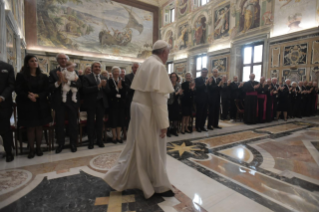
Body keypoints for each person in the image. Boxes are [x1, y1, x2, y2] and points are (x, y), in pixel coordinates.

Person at [104, 40, 175, 199]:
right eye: (168, 53)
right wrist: (164, 124)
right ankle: (159, 184)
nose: (167, 56)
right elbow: (158, 98)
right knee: (152, 147)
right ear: (163, 52)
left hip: (138, 108)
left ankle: (118, 177)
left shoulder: (146, 63)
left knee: (138, 146)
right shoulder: (158, 66)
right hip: (149, 111)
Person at [15, 55, 52, 159]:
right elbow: (18, 89)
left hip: (41, 104)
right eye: (32, 61)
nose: (35, 62)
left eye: (36, 60)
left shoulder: (43, 76)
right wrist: (28, 95)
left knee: (39, 127)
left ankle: (38, 148)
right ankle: (31, 149)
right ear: (27, 63)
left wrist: (37, 95)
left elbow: (47, 90)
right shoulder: (21, 75)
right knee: (31, 127)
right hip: (27, 105)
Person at [48, 53, 81, 153]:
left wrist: (68, 82)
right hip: (59, 101)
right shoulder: (53, 72)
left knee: (73, 123)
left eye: (65, 59)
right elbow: (50, 87)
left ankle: (73, 143)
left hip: (72, 101)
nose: (63, 61)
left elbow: (79, 84)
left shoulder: (74, 71)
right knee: (60, 123)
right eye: (61, 59)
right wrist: (59, 81)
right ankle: (61, 144)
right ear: (57, 61)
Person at [82, 62, 109, 149]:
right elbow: (85, 90)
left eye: (99, 67)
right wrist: (98, 86)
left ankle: (99, 141)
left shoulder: (104, 77)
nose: (97, 68)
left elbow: (108, 91)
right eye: (96, 67)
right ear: (92, 68)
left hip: (101, 103)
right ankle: (91, 142)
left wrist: (104, 87)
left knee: (100, 123)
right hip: (91, 103)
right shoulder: (87, 77)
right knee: (90, 123)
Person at [0, 60, 15, 162]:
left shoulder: (7, 67)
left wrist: (2, 97)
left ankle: (9, 152)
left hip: (3, 104)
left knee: (5, 129)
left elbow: (11, 85)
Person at [108, 66, 126, 143]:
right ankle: (114, 137)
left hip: (120, 104)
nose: (116, 73)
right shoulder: (109, 81)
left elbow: (124, 93)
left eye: (117, 71)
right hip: (112, 104)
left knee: (119, 120)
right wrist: (117, 88)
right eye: (115, 71)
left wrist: (121, 88)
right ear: (112, 72)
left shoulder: (122, 81)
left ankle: (119, 137)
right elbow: (109, 93)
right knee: (113, 121)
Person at [167, 72, 182, 137]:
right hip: (170, 103)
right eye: (172, 77)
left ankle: (174, 130)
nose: (173, 78)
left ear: (176, 78)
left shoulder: (179, 84)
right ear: (170, 78)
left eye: (174, 77)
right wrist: (175, 93)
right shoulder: (168, 84)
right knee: (169, 118)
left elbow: (181, 93)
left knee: (175, 117)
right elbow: (167, 94)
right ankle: (168, 131)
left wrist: (180, 93)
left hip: (176, 102)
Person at [125, 63, 139, 128]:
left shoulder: (142, 76)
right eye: (135, 67)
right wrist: (137, 87)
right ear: (132, 68)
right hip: (131, 99)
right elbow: (127, 88)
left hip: (141, 100)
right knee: (130, 116)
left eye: (137, 67)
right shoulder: (127, 76)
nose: (136, 69)